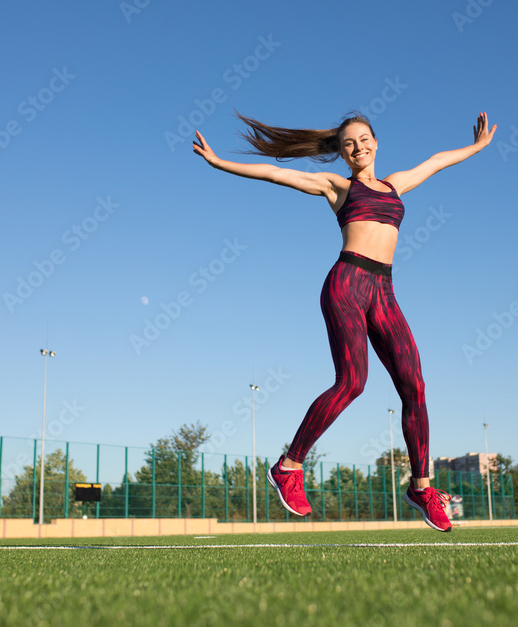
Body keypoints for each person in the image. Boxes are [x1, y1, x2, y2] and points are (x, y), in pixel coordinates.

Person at [192, 110, 495, 532]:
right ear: (341, 152)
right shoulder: (337, 187)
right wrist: (220, 162)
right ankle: (289, 466)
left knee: (415, 385)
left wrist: (477, 148)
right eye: (349, 143)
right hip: (346, 284)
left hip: (384, 291)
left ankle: (422, 487)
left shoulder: (395, 184)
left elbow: (436, 161)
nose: (359, 147)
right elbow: (272, 174)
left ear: (376, 142)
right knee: (352, 382)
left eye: (365, 138)